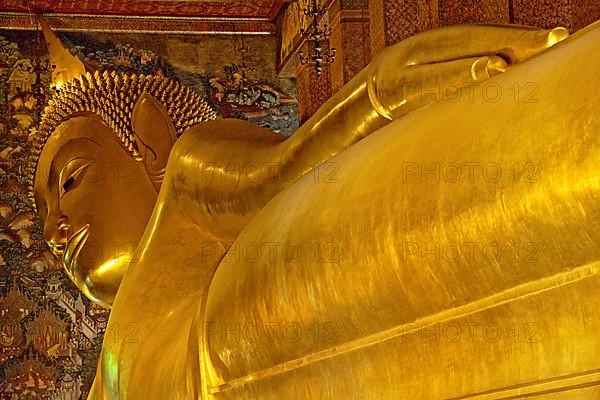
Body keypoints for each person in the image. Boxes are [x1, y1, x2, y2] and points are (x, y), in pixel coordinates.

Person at [32, 20, 600, 399]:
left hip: (267, 308)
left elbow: (278, 172)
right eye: (44, 222)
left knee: (546, 191)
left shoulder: (183, 181)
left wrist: (374, 96)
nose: (56, 231)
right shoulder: (104, 378)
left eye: (72, 180)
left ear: (147, 141)